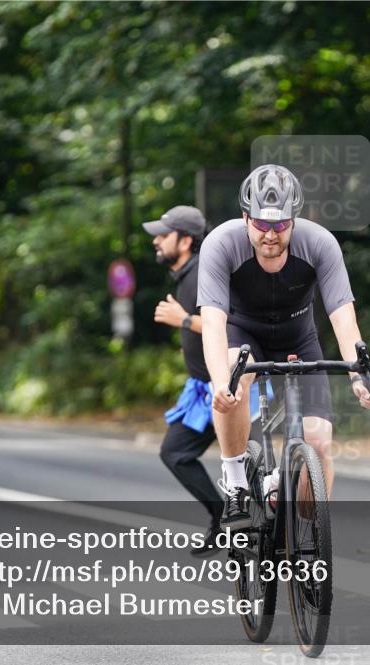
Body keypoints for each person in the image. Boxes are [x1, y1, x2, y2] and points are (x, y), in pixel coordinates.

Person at [197, 165, 370, 529]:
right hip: (242, 334)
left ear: (294, 221)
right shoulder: (221, 244)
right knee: (235, 371)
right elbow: (213, 323)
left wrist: (361, 376)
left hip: (298, 339)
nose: (270, 234)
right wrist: (221, 382)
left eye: (281, 225)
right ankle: (236, 478)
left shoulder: (319, 244)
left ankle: (309, 539)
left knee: (318, 442)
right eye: (261, 225)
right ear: (245, 217)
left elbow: (343, 317)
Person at [143, 205, 224, 557]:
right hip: (201, 389)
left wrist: (184, 319)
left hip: (235, 385)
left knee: (254, 467)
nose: (156, 242)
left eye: (163, 235)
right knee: (175, 453)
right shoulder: (187, 274)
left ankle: (284, 534)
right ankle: (222, 518)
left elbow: (228, 325)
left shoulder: (204, 274)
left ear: (186, 240)